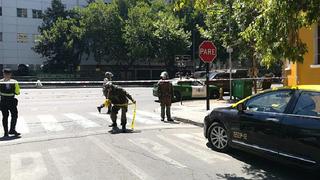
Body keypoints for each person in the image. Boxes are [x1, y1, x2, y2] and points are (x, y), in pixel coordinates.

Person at [0, 68, 21, 137]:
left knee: (5, 117)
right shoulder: (14, 82)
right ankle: (12, 129)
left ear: (3, 74)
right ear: (10, 74)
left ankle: (6, 132)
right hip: (11, 101)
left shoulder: (0, 82)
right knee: (14, 115)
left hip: (3, 101)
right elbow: (18, 92)